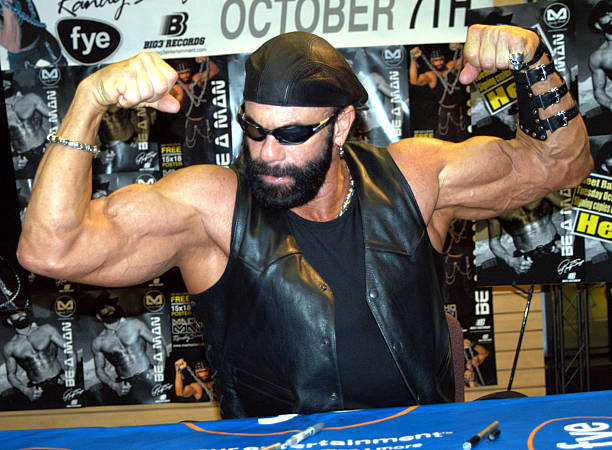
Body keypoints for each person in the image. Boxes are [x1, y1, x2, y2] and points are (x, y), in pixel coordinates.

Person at [18, 25, 592, 418]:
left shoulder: (415, 178)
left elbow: (561, 165)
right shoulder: (212, 206)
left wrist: (534, 63)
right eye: (255, 129)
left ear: (341, 126)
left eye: (292, 134)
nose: (268, 153)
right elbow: (51, 250)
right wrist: (88, 101)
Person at [91, 294, 165, 403]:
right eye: (104, 307)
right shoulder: (98, 342)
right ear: (98, 315)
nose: (109, 308)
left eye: (111, 305)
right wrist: (114, 386)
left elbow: (158, 344)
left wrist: (160, 369)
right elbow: (99, 370)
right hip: (126, 384)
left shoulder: (135, 324)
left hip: (148, 375)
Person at [2, 309, 66, 405]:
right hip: (38, 390)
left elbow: (70, 350)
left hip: (61, 380)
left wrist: (70, 373)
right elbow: (11, 375)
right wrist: (26, 391)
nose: (21, 314)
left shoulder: (46, 329)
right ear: (9, 321)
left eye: (22, 311)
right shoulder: (9, 347)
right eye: (15, 313)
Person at [409, 44, 468, 142]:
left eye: (440, 59)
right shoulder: (431, 76)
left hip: (458, 110)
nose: (439, 62)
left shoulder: (450, 67)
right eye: (436, 60)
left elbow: (467, 59)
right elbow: (414, 80)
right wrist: (413, 59)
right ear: (431, 62)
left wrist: (460, 46)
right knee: (444, 139)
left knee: (463, 137)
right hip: (445, 111)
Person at [169, 58, 220, 166]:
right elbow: (163, 94)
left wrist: (206, 59)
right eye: (182, 73)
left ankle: (214, 169)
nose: (185, 76)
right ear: (178, 75)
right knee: (188, 147)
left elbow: (214, 70)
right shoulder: (177, 88)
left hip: (203, 121)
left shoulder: (196, 79)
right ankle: (185, 170)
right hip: (190, 122)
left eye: (186, 72)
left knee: (209, 147)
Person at [589, 0, 612, 112]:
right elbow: (599, 91)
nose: (610, 14)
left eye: (611, 11)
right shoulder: (598, 57)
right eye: (604, 14)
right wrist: (610, 104)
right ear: (598, 25)